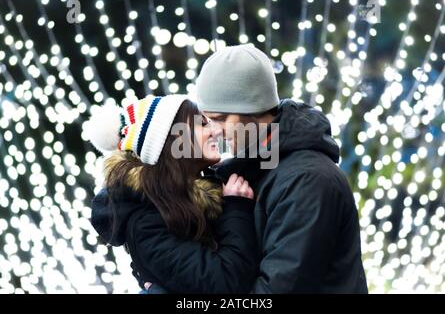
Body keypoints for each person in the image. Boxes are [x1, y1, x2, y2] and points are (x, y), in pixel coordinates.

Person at [144, 44, 368, 293]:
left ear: (250, 108)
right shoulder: (249, 172)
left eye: (219, 119)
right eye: (207, 120)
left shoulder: (308, 181)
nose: (214, 131)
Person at [87, 95, 258, 293]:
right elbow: (226, 282)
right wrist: (236, 209)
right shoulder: (147, 224)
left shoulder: (205, 193)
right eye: (202, 124)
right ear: (171, 139)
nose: (215, 131)